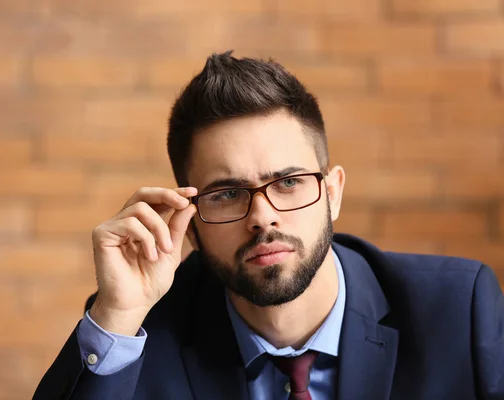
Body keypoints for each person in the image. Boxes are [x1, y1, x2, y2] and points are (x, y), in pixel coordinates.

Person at [32, 51, 504, 400]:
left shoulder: (457, 310)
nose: (263, 217)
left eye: (290, 182)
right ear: (189, 222)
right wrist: (117, 314)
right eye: (226, 193)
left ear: (333, 193)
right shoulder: (141, 329)